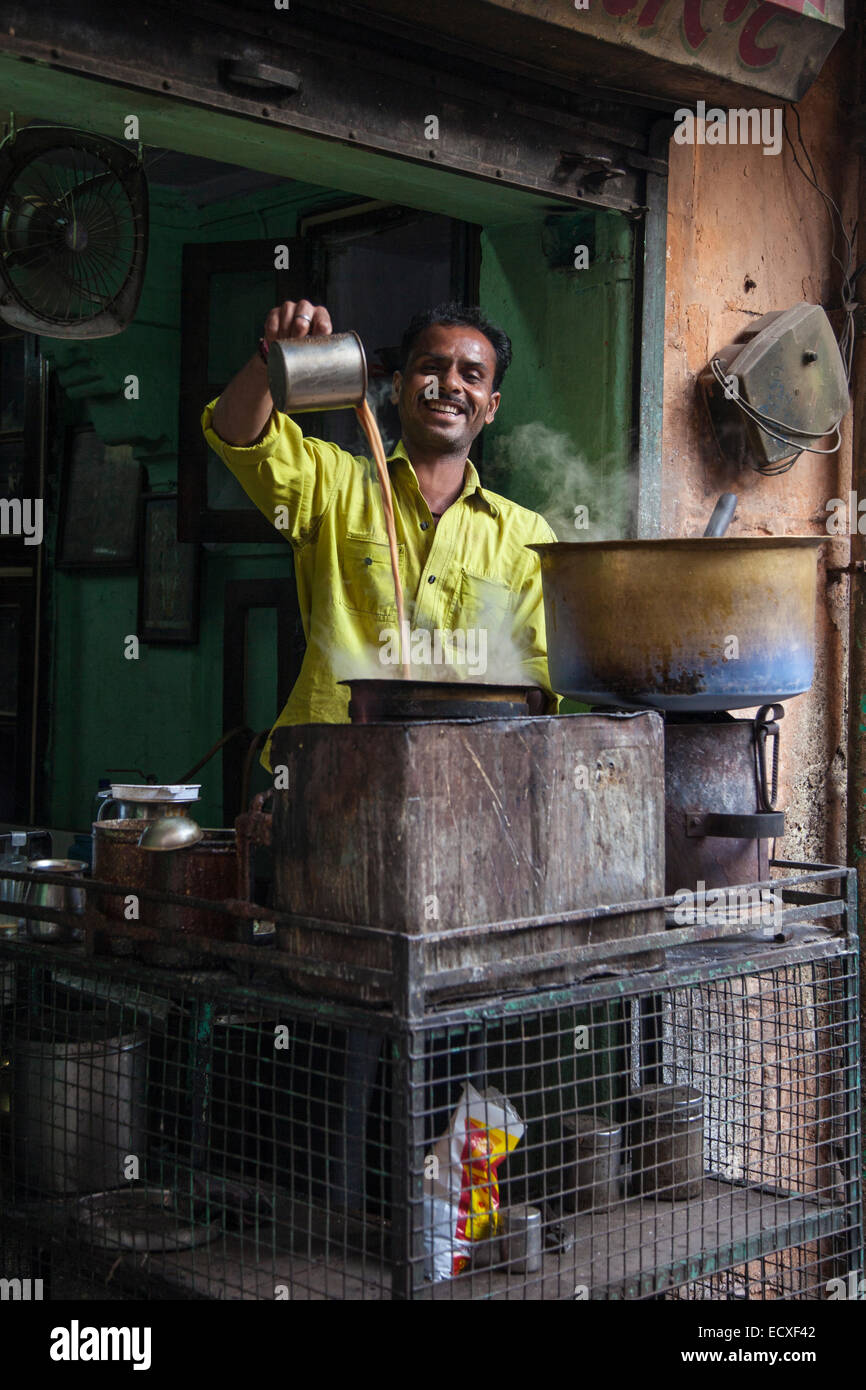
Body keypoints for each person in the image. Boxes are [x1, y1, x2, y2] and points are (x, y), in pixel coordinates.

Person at [202, 298, 559, 768]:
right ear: (396, 386)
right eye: (431, 367)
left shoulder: (526, 535)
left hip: (468, 780)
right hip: (329, 771)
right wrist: (271, 357)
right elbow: (238, 434)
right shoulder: (334, 486)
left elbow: (537, 682)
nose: (448, 383)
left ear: (490, 407)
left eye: (471, 375)